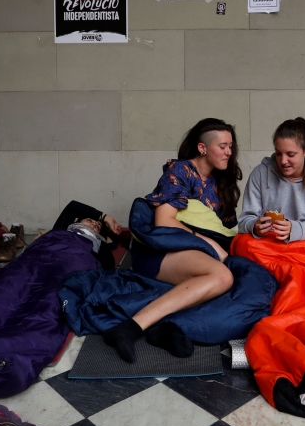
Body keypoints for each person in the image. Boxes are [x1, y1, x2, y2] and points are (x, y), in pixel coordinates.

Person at [103, 118, 242, 362]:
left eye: (230, 145)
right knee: (221, 277)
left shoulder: (221, 182)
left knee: (241, 281)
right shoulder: (181, 171)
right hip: (161, 252)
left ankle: (166, 326)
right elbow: (165, 221)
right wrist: (209, 243)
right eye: (222, 146)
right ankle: (129, 328)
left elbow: (224, 229)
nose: (229, 151)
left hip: (194, 254)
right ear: (202, 148)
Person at [239, 117, 305, 242]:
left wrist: (294, 229)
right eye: (278, 153)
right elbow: (244, 221)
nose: (283, 161)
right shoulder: (260, 173)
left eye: (290, 155)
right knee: (240, 243)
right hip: (268, 245)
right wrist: (254, 226)